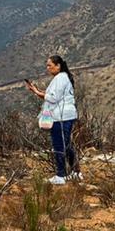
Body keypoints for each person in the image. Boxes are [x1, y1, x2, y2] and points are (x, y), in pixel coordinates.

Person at [24, 55, 80, 185]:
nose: (47, 68)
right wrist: (37, 91)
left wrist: (38, 93)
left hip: (60, 116)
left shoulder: (60, 78)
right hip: (66, 115)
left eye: (50, 65)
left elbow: (53, 98)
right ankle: (75, 171)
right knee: (66, 144)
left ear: (58, 65)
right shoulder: (63, 78)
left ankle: (61, 175)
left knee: (59, 145)